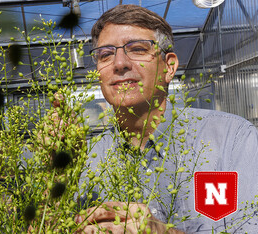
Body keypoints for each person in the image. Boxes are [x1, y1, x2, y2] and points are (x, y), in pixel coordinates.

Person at [75, 4, 258, 233]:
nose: (119, 63)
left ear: (169, 67)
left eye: (138, 49)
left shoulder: (229, 139)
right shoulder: (87, 160)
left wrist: (163, 232)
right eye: (106, 54)